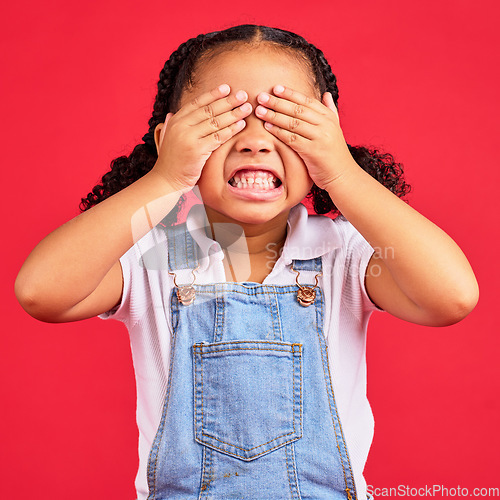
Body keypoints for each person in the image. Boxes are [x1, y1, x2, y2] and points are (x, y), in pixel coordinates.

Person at [15, 24, 479, 500]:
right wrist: (165, 177)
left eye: (285, 121)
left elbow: (452, 297)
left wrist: (341, 171)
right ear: (169, 137)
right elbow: (41, 292)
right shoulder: (154, 257)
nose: (256, 142)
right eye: (226, 120)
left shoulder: (343, 256)